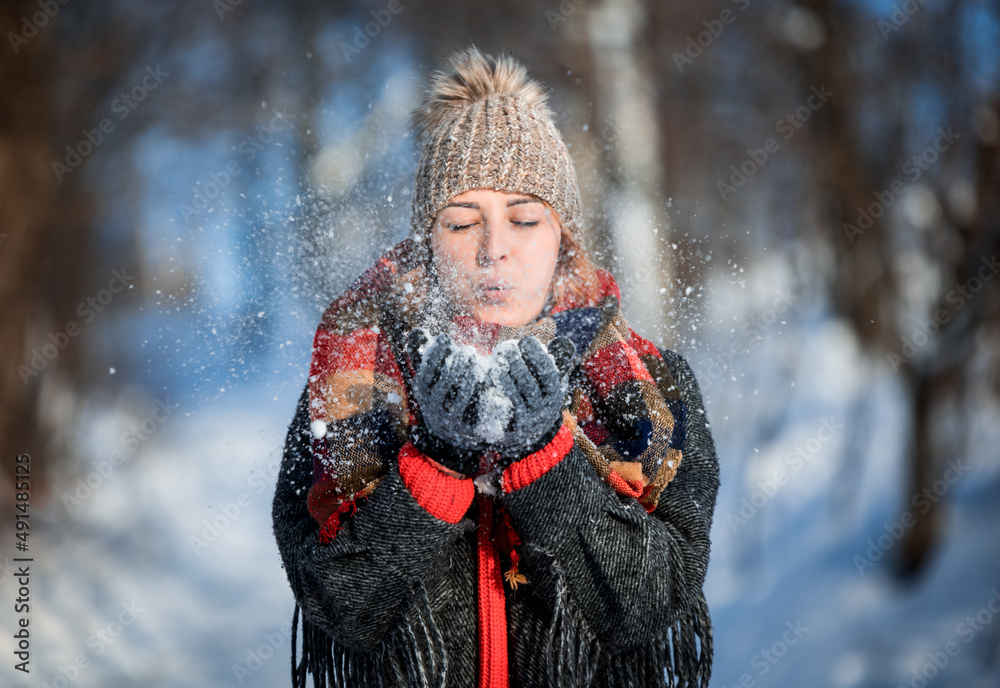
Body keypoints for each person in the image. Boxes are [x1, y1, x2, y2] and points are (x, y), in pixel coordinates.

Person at [272, 45, 720, 688]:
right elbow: (342, 607)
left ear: (562, 237)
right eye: (460, 223)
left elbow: (645, 610)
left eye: (524, 218)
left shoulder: (655, 387)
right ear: (428, 242)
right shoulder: (347, 389)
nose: (493, 251)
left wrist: (548, 459)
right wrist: (431, 465)